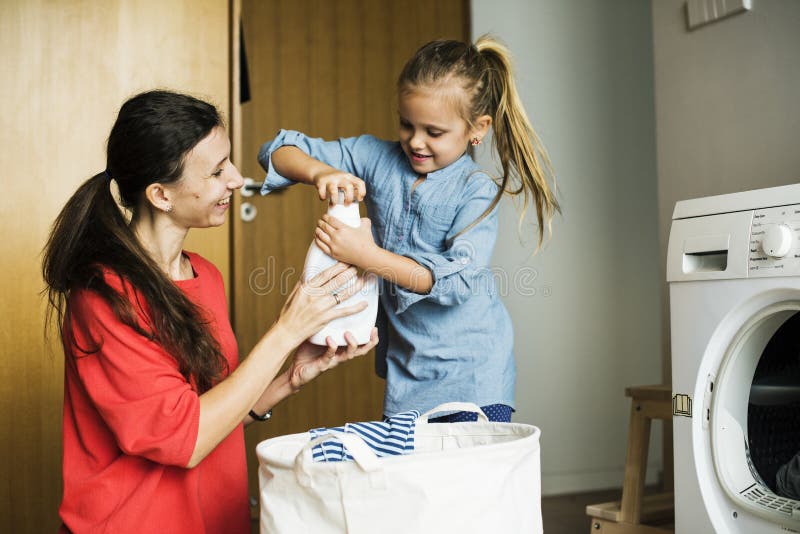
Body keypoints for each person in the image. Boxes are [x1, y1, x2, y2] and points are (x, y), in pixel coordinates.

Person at [42, 90, 378, 534]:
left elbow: (210, 409)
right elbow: (186, 438)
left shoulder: (204, 276)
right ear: (160, 195)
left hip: (214, 519)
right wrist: (286, 330)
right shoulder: (104, 297)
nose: (237, 180)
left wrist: (288, 380)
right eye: (218, 171)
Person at [258, 35, 560, 422]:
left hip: (475, 378)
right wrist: (321, 170)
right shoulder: (375, 157)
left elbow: (457, 282)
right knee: (412, 481)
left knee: (466, 481)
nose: (415, 141)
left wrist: (367, 257)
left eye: (434, 132)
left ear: (477, 129)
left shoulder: (476, 190)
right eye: (406, 124)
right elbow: (276, 150)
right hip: (408, 374)